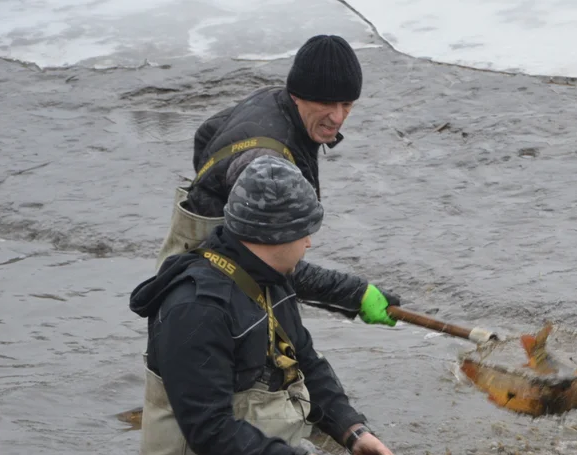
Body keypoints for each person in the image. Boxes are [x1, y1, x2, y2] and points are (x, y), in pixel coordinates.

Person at [131, 155, 404, 455]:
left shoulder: (270, 280)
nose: (310, 241)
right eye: (304, 231)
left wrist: (355, 434)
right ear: (272, 235)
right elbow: (209, 429)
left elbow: (310, 366)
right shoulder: (196, 308)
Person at [157, 33, 399, 328]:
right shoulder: (264, 162)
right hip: (205, 298)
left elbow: (207, 132)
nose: (337, 117)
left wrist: (216, 191)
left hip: (203, 272)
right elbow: (274, 264)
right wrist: (356, 294)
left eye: (347, 104)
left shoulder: (273, 102)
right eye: (325, 103)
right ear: (297, 94)